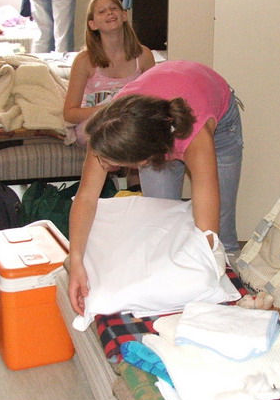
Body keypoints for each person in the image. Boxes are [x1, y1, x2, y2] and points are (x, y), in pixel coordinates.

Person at [67, 60, 244, 315]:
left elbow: (208, 233)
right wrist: (76, 260)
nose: (103, 165)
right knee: (159, 221)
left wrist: (205, 280)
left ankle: (235, 296)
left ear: (145, 160)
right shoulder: (108, 130)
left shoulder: (197, 141)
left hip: (217, 115)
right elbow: (86, 198)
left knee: (220, 232)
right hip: (158, 110)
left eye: (112, 164)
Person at [62, 0, 155, 145]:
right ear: (92, 24)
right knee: (110, 136)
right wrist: (110, 109)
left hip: (131, 123)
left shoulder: (144, 55)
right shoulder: (84, 60)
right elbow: (69, 114)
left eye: (113, 8)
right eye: (102, 11)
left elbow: (154, 100)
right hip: (95, 124)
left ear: (124, 15)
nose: (109, 13)